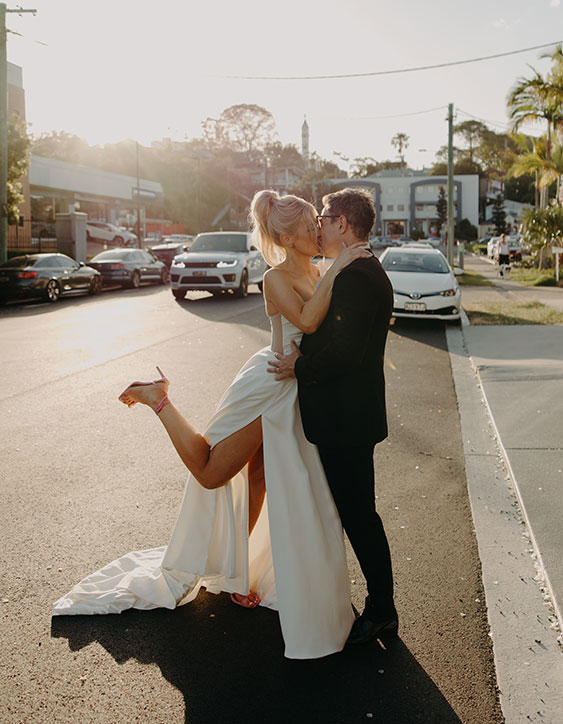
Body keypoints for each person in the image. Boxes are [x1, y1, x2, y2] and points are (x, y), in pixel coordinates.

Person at [52, 191, 368, 660]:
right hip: (267, 387)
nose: (318, 230)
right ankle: (159, 400)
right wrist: (341, 268)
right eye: (309, 225)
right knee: (210, 471)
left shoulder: (314, 269)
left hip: (289, 390)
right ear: (287, 236)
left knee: (260, 476)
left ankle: (239, 573)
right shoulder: (275, 277)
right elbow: (307, 318)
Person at [268, 188, 398, 646]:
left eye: (324, 217)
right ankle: (370, 603)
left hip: (348, 421)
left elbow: (345, 351)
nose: (318, 225)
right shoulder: (356, 269)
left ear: (343, 223)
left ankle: (382, 610)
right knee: (351, 513)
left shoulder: (358, 274)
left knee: (360, 516)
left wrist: (298, 364)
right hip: (346, 417)